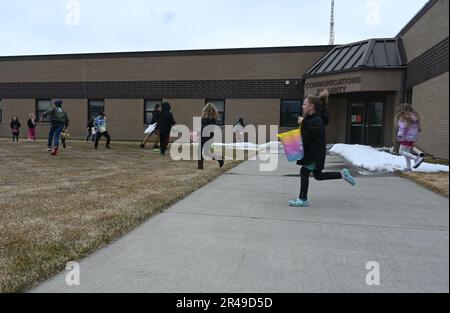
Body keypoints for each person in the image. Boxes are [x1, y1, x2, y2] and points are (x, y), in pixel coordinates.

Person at [289, 90, 356, 208]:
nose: (302, 106)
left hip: (315, 153)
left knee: (304, 172)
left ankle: (303, 199)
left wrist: (304, 122)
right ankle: (342, 175)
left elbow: (317, 132)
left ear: (311, 106)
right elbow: (308, 134)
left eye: (305, 104)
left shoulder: (317, 119)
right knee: (318, 176)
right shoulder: (311, 118)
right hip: (312, 151)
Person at [395, 103, 424, 171]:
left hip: (406, 136)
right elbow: (418, 128)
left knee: (401, 151)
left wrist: (399, 135)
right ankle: (408, 167)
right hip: (413, 137)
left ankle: (417, 159)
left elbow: (402, 127)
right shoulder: (415, 116)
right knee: (407, 152)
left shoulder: (403, 116)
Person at [198, 103, 224, 170]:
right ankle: (219, 159)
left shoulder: (205, 117)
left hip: (204, 136)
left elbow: (204, 126)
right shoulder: (214, 117)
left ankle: (200, 167)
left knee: (201, 152)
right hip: (210, 136)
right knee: (205, 153)